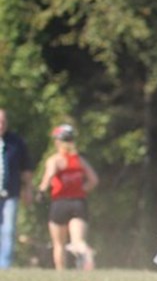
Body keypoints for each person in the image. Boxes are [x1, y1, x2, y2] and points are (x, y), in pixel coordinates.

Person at [37, 124, 99, 271]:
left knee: (59, 244)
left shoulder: (55, 160)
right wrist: (82, 189)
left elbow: (49, 176)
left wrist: (41, 191)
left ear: (57, 141)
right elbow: (94, 180)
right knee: (78, 241)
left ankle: (61, 272)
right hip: (79, 202)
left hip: (60, 203)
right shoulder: (79, 160)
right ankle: (86, 252)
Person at [0, 110, 34, 269]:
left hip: (10, 193)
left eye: (3, 122)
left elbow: (26, 168)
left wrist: (28, 189)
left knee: (8, 229)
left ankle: (4, 265)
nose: (0, 125)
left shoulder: (16, 142)